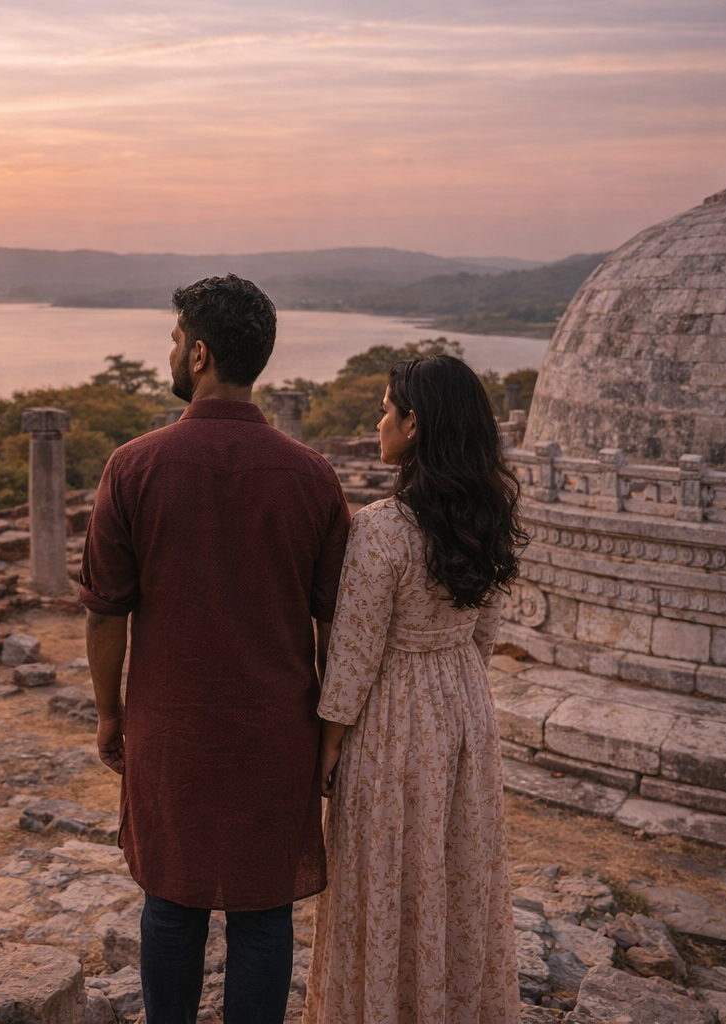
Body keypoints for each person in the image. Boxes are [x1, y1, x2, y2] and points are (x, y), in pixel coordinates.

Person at [78, 274, 351, 1024]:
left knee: (172, 903)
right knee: (264, 915)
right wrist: (330, 735)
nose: (169, 353)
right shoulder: (313, 478)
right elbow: (338, 627)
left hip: (172, 727)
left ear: (198, 354)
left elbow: (106, 615)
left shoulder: (132, 467)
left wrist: (109, 714)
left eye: (173, 341)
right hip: (278, 733)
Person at [304, 354, 526, 1024]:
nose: (378, 421)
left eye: (384, 407)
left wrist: (329, 743)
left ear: (414, 423)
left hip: (393, 716)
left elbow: (353, 655)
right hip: (461, 704)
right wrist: (452, 677)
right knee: (455, 869)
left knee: (384, 874)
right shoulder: (489, 516)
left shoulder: (383, 527)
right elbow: (483, 631)